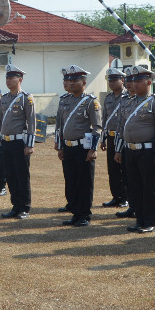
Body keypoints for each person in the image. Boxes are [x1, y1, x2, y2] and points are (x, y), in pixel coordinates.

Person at [114, 64, 155, 232]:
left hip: (148, 151)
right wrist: (118, 150)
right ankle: (140, 219)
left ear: (148, 82)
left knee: (149, 187)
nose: (134, 84)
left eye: (139, 81)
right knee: (134, 186)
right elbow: (121, 127)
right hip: (130, 150)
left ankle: (150, 222)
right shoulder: (129, 102)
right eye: (133, 81)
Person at [53, 65, 102, 226]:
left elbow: (97, 127)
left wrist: (93, 149)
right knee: (71, 181)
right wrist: (60, 146)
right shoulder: (64, 100)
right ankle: (75, 212)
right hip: (68, 147)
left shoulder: (90, 101)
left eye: (75, 80)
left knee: (84, 182)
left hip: (83, 148)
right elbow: (60, 125)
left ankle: (84, 215)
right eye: (69, 80)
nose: (71, 83)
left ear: (84, 82)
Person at [0, 64, 36, 219]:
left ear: (20, 79)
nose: (8, 80)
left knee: (22, 176)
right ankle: (15, 205)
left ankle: (24, 207)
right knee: (10, 175)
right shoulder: (4, 99)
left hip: (19, 143)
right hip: (6, 142)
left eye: (12, 77)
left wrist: (29, 145)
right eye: (7, 77)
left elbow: (31, 122)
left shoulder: (26, 98)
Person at [101, 64, 129, 210]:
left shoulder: (128, 96)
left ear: (122, 80)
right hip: (111, 137)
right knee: (112, 169)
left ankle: (125, 197)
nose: (111, 83)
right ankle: (116, 196)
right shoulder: (108, 98)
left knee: (124, 168)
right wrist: (103, 138)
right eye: (109, 80)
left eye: (114, 80)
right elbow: (104, 119)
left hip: (123, 137)